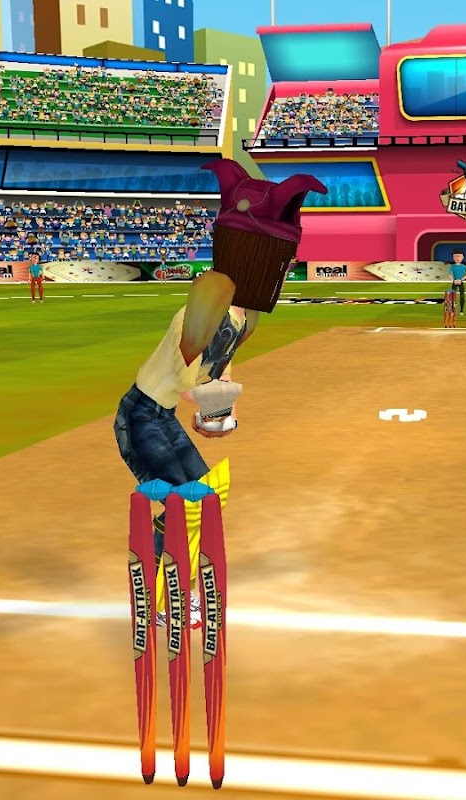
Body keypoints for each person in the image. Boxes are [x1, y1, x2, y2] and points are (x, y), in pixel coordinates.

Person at [114, 158, 325, 624]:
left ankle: (171, 583)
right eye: (281, 257)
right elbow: (188, 374)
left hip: (161, 417)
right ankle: (158, 596)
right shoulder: (211, 296)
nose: (287, 267)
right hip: (140, 415)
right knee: (184, 501)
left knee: (207, 497)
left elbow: (215, 371)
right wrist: (210, 402)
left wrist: (217, 409)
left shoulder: (244, 316)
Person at [448, 247, 466, 315]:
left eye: (459, 256)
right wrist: (454, 280)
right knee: (452, 297)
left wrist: (460, 280)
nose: (457, 258)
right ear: (453, 257)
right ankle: (452, 310)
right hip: (454, 283)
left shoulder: (464, 267)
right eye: (456, 256)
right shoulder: (452, 266)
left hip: (461, 282)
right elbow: (449, 274)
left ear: (462, 257)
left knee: (462, 296)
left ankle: (461, 310)